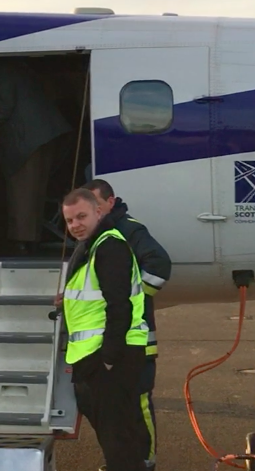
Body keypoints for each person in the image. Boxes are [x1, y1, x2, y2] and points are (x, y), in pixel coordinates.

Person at [82, 178, 171, 470]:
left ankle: (145, 462)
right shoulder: (96, 235)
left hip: (136, 341)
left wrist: (131, 298)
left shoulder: (129, 230)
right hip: (107, 341)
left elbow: (158, 264)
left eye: (97, 204)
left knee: (138, 403)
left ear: (111, 202)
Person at [60, 188, 150, 471]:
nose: (75, 225)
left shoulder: (109, 247)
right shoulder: (95, 246)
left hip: (109, 359)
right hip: (94, 358)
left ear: (99, 212)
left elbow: (119, 307)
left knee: (118, 439)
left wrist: (108, 359)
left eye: (81, 217)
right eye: (69, 220)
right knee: (118, 437)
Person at [0, 59, 71, 254]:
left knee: (22, 191)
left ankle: (21, 243)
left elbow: (4, 99)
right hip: (44, 135)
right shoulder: (18, 69)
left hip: (28, 139)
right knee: (34, 191)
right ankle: (31, 239)